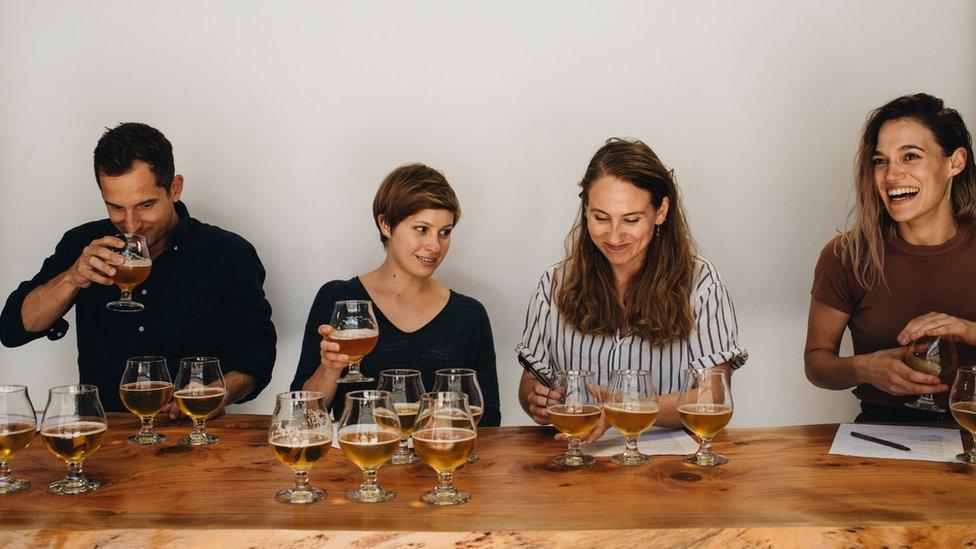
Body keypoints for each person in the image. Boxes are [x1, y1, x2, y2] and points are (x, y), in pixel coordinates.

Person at [0, 122, 276, 414]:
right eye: (116, 207)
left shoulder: (227, 253)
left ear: (175, 188)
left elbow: (257, 350)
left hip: (193, 431)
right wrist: (72, 278)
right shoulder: (82, 245)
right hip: (103, 435)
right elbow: (13, 329)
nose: (131, 225)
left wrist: (218, 393)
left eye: (145, 205)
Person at [516, 138, 747, 440]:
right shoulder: (553, 284)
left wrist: (626, 409)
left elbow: (714, 398)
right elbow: (530, 384)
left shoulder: (701, 282)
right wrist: (538, 400)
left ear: (661, 210)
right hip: (578, 462)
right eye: (600, 218)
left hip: (669, 467)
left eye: (631, 219)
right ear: (585, 209)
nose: (613, 235)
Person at [805, 93, 976, 422]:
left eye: (910, 156)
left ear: (955, 161)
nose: (891, 175)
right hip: (882, 436)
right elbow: (816, 363)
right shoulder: (846, 255)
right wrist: (864, 368)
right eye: (881, 161)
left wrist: (966, 329)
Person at [290, 163, 500, 426]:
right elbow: (302, 419)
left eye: (444, 233)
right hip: (360, 460)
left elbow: (489, 421)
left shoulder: (470, 314)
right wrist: (330, 367)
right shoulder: (338, 299)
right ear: (386, 224)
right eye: (422, 229)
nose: (435, 246)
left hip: (440, 462)